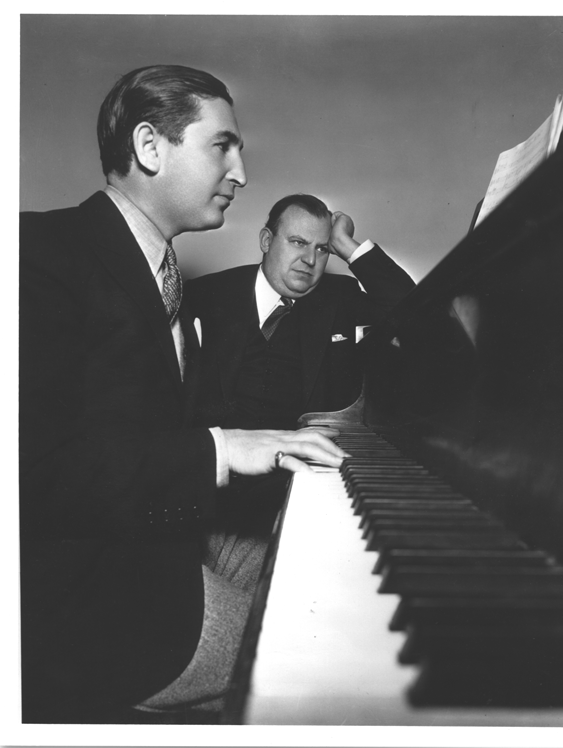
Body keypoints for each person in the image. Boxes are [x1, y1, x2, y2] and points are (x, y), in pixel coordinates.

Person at [19, 65, 346, 724]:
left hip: (162, 546)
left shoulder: (163, 275)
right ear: (150, 147)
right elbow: (34, 472)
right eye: (223, 146)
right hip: (83, 604)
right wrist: (224, 449)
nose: (241, 173)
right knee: (330, 664)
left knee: (335, 587)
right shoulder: (37, 254)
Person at [185, 193, 416, 430]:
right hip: (223, 448)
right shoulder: (208, 293)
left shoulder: (340, 297)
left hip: (309, 450)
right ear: (266, 241)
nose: (310, 260)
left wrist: (346, 245)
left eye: (322, 249)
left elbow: (415, 313)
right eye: (298, 242)